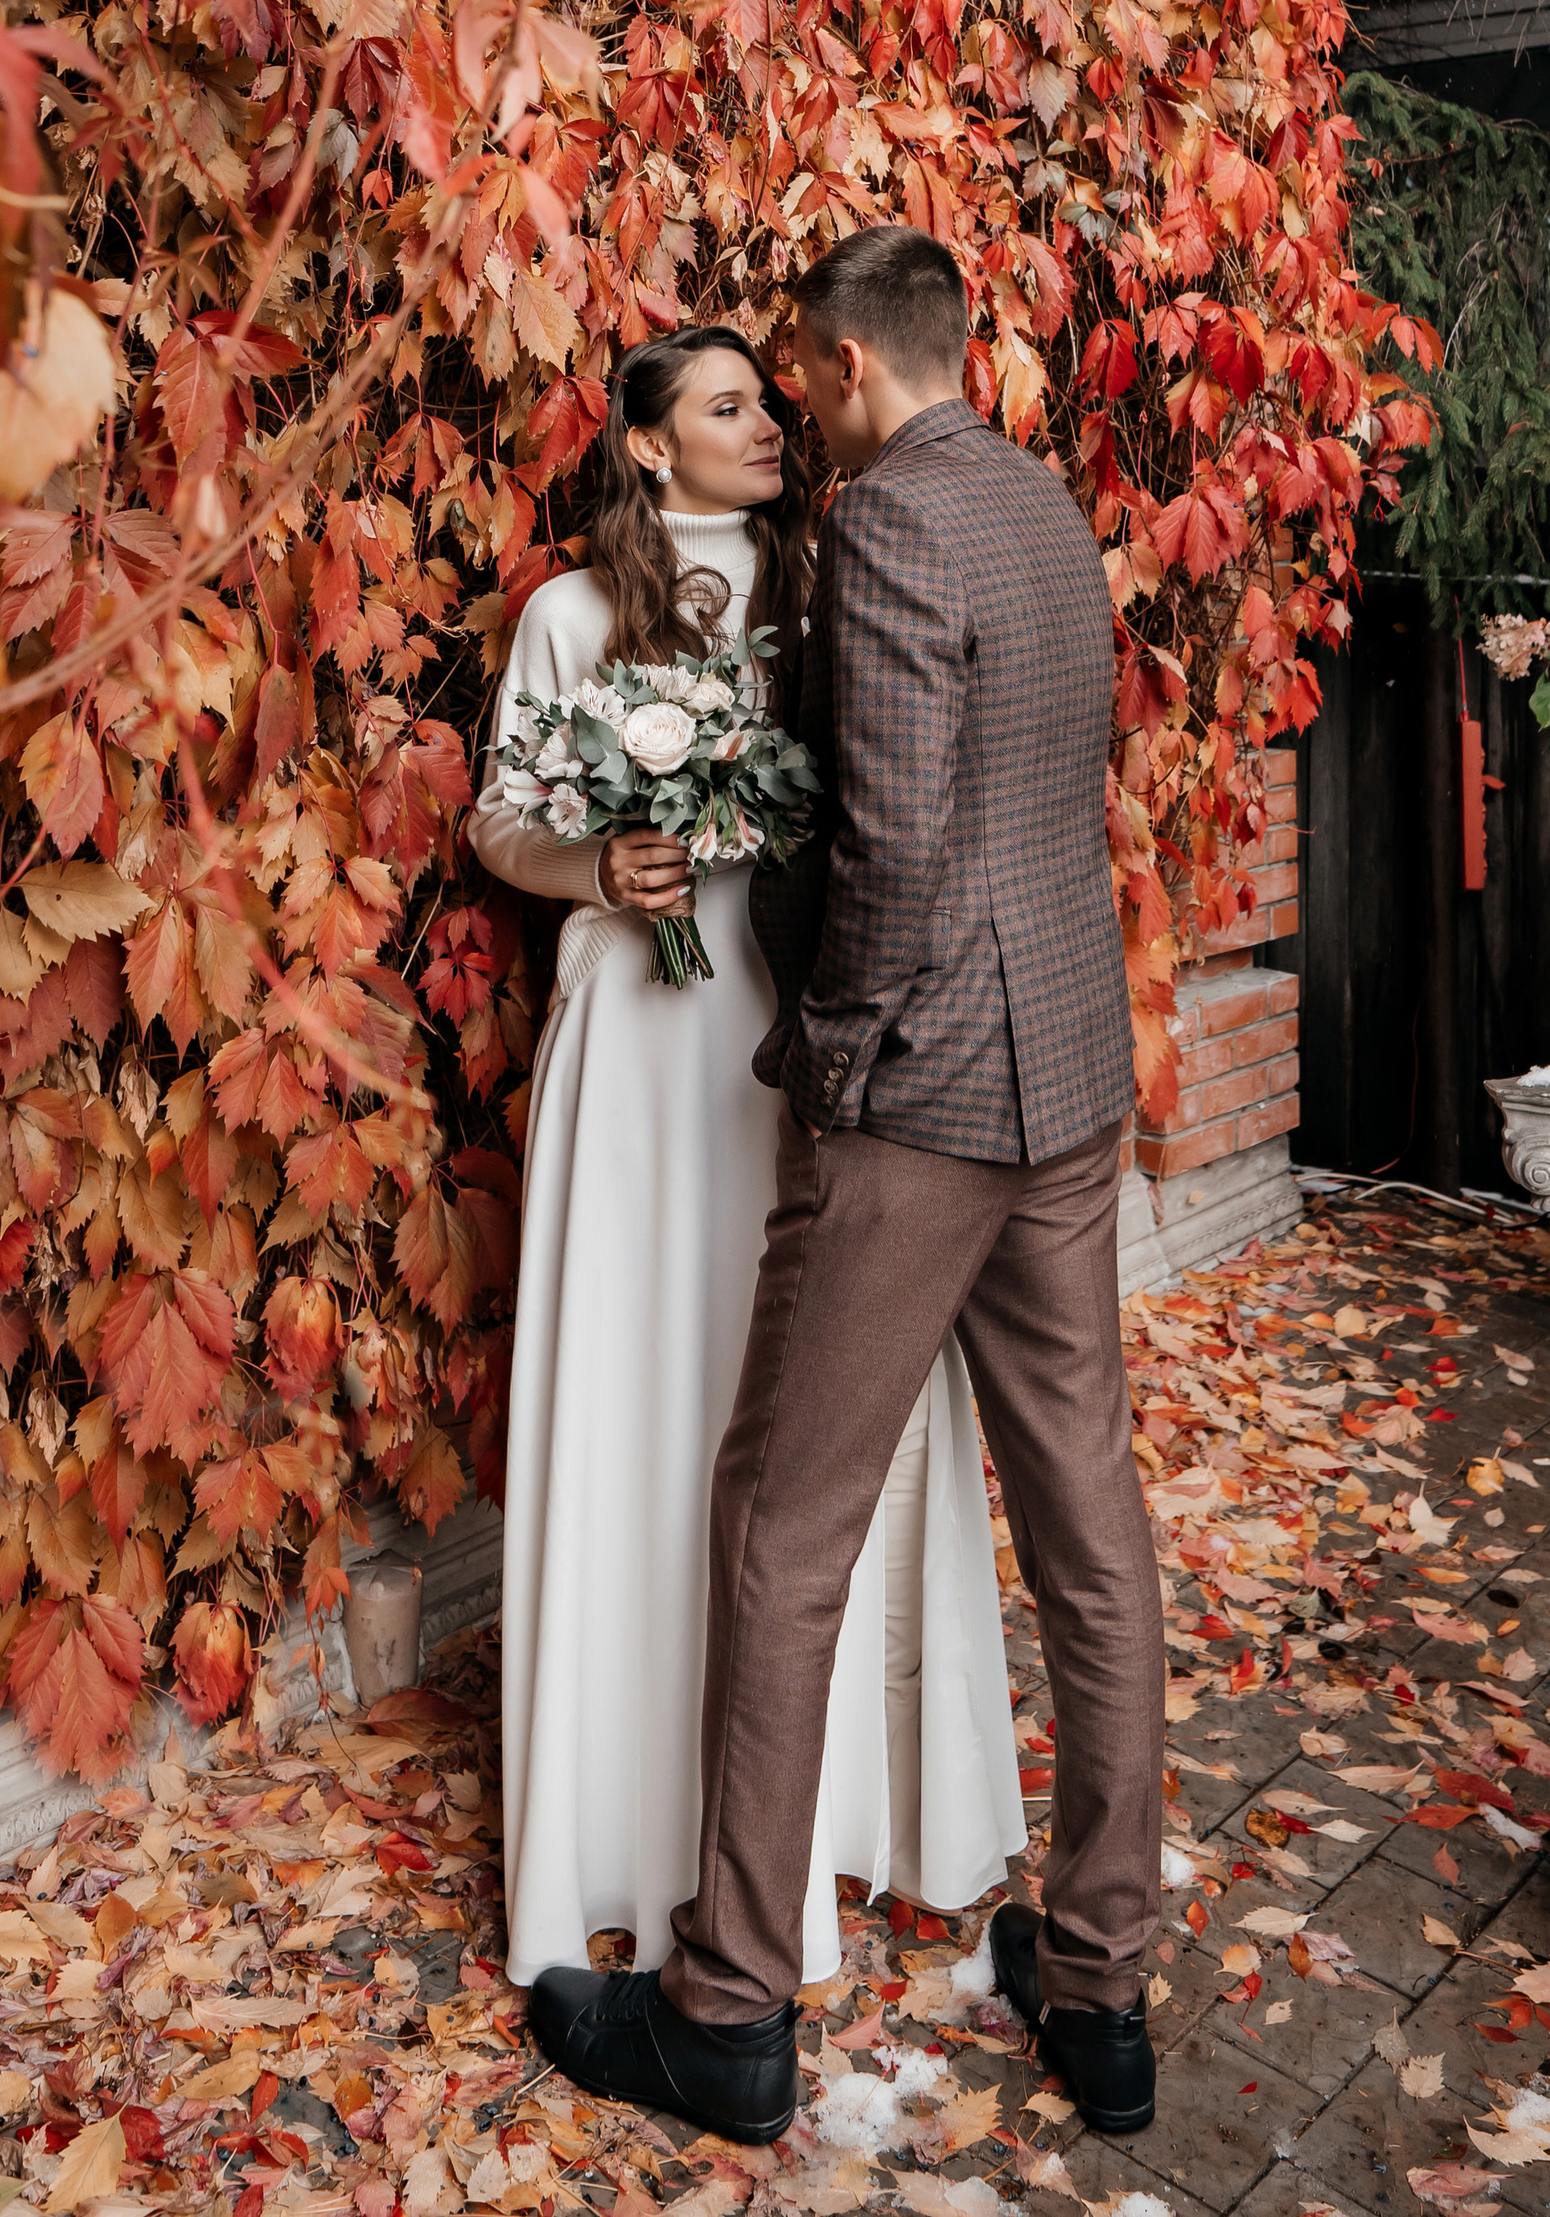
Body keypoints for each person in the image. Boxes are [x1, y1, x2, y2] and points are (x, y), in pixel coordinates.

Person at [524, 230, 1165, 2148]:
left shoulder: (883, 522)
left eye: (794, 378)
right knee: (1089, 1527)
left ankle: (724, 2011)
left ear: (841, 362)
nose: (791, 411)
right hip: (1071, 1087)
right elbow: (1060, 787)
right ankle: (1105, 1987)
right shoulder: (1047, 507)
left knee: (780, 1523)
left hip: (920, 1113)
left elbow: (885, 840)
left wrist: (833, 1066)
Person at [472, 322, 1024, 1996]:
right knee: (643, 1404)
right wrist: (595, 864)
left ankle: (804, 1819)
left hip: (783, 1044)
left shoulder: (821, 594)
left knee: (778, 1417)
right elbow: (500, 816)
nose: (770, 423)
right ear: (649, 445)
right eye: (726, 406)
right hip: (638, 1052)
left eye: (771, 398)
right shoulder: (567, 619)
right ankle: (623, 1824)